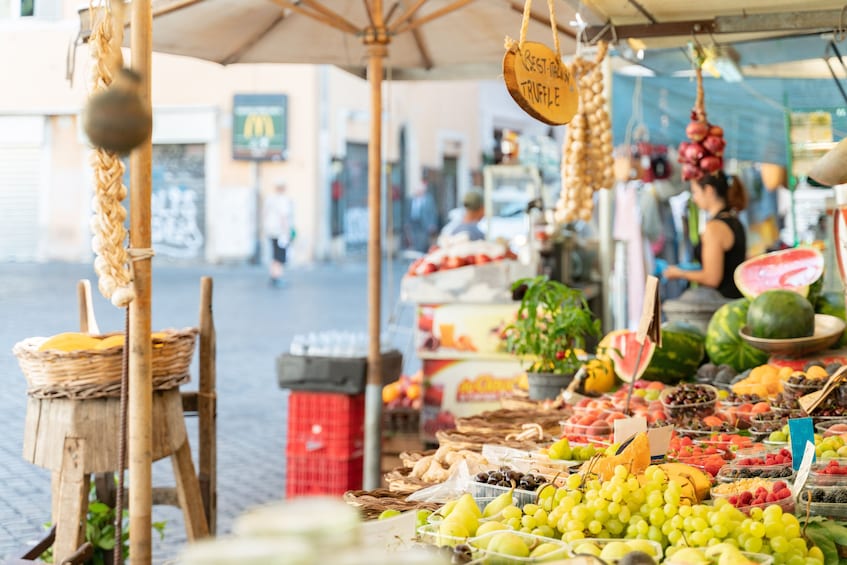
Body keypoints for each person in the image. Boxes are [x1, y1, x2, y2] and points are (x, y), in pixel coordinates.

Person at [663, 170, 748, 299]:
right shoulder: (735, 220)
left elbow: (712, 278)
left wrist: (680, 273)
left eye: (695, 192)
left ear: (708, 190)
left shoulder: (714, 228)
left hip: (721, 304)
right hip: (736, 299)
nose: (694, 199)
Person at [263, 180, 295, 287]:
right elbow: (283, 217)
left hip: (270, 231)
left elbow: (265, 214)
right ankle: (278, 277)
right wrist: (287, 232)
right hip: (280, 232)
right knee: (280, 255)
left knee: (274, 254)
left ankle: (273, 276)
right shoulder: (283, 200)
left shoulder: (270, 199)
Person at [407, 182, 439, 253]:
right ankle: (416, 253)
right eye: (417, 190)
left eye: (420, 190)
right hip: (414, 222)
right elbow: (408, 211)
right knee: (414, 239)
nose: (418, 192)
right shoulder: (411, 199)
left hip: (424, 223)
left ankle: (421, 253)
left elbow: (433, 212)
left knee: (423, 241)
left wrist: (432, 224)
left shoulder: (428, 199)